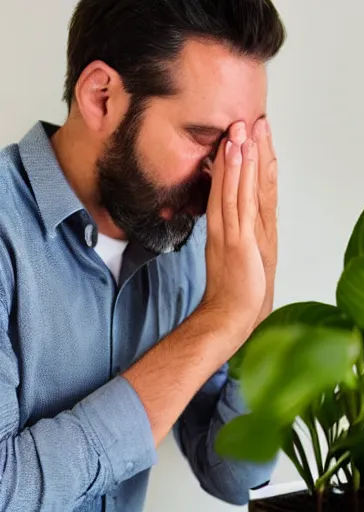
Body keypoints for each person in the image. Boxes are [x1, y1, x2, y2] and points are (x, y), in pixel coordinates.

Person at [0, 0, 286, 510]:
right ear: (101, 97)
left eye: (244, 143)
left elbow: (233, 476)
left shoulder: (188, 239)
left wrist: (253, 316)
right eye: (204, 138)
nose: (223, 176)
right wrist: (221, 319)